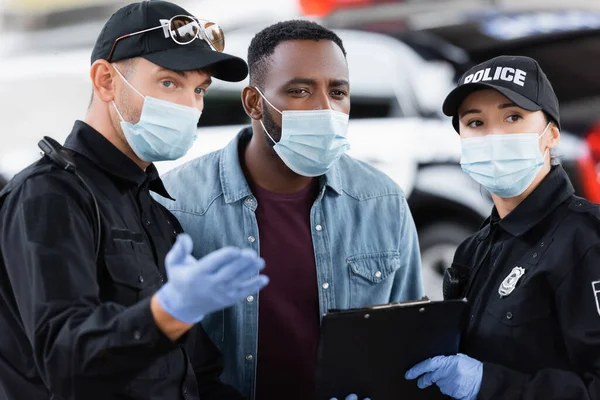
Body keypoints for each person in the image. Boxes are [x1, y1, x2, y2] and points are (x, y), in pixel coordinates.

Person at [0, 2, 269, 399]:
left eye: (199, 90)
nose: (189, 106)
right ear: (106, 80)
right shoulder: (47, 198)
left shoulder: (155, 211)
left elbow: (198, 376)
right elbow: (67, 363)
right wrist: (165, 314)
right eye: (168, 83)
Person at [156, 20, 424, 400]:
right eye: (299, 91)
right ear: (253, 102)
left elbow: (407, 340)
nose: (325, 109)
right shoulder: (177, 202)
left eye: (338, 92)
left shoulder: (382, 202)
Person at [401, 55, 600, 399]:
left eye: (513, 117)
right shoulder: (473, 250)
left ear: (551, 135)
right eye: (475, 123)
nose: (494, 135)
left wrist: (487, 384)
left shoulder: (586, 240)